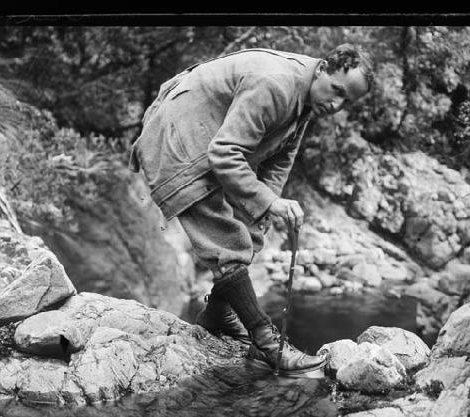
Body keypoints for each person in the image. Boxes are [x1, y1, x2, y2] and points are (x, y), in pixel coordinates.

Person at [130, 43, 374, 375]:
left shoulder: (308, 99)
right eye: (337, 91)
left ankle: (216, 317)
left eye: (347, 101)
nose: (337, 105)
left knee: (250, 232)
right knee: (227, 242)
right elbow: (226, 152)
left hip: (206, 144)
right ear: (323, 68)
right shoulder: (275, 84)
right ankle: (266, 343)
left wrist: (264, 211)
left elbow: (278, 164)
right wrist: (269, 202)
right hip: (176, 142)